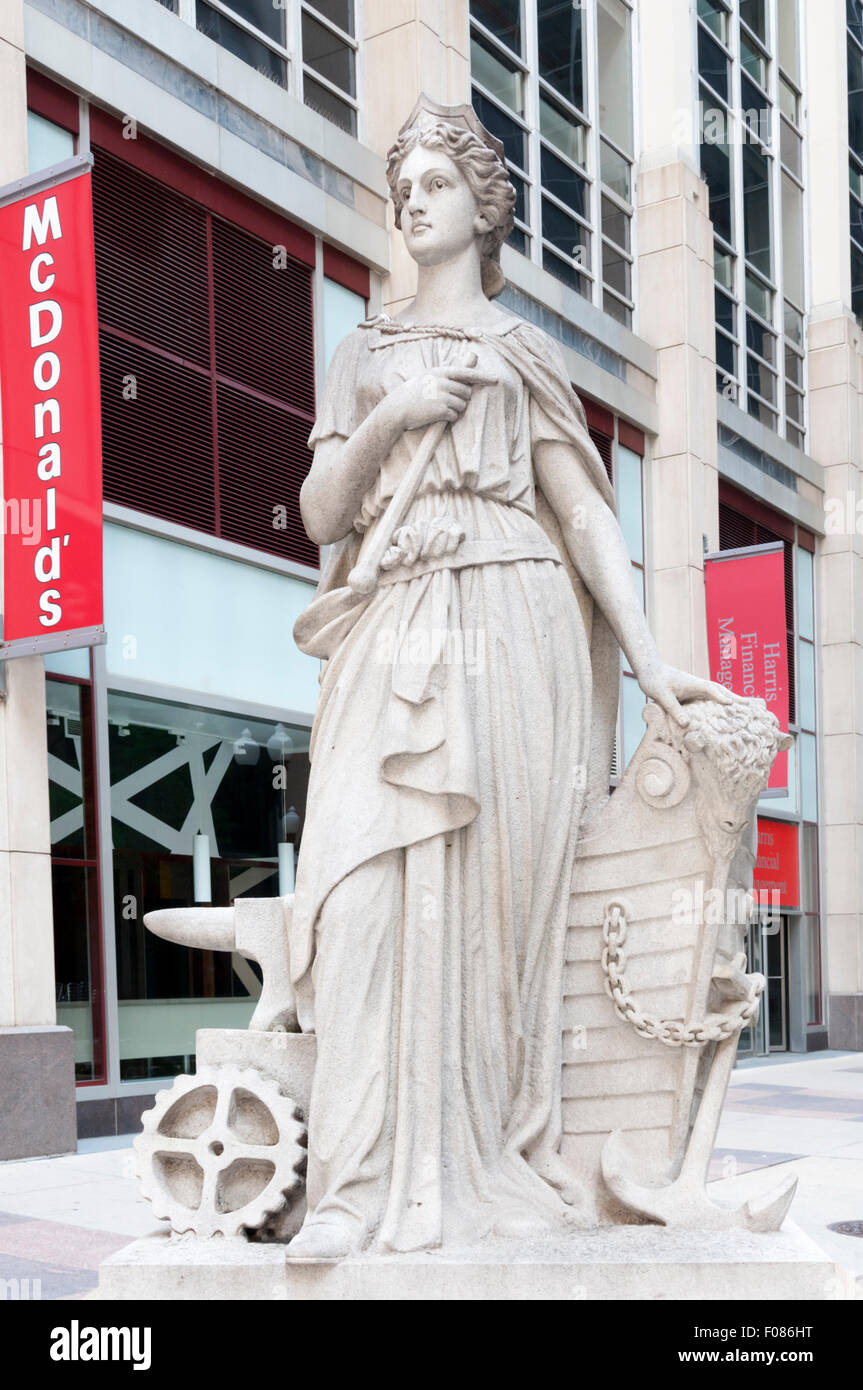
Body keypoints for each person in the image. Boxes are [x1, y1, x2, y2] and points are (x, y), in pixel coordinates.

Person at [285, 97, 730, 1259]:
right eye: (403, 185)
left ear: (482, 206)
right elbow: (320, 512)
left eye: (435, 181)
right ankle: (354, 1177)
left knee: (488, 913)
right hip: (394, 613)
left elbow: (582, 511)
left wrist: (643, 659)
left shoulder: (523, 352)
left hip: (512, 613)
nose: (412, 199)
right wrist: (389, 423)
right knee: (361, 887)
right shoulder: (362, 352)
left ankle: (474, 1159)